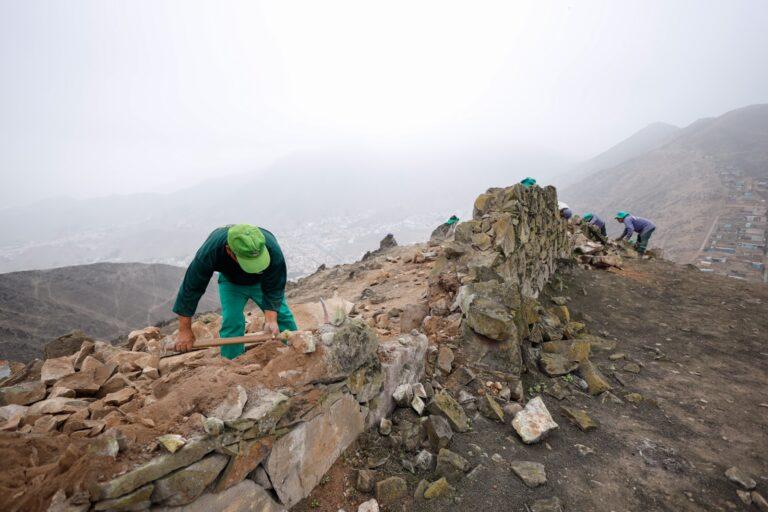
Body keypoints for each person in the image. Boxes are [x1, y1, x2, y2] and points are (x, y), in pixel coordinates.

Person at [172, 224, 297, 359]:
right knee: (232, 321)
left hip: (263, 282)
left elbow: (275, 286)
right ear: (230, 251)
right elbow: (191, 289)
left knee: (283, 318)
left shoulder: (271, 247)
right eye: (249, 261)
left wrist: (271, 320)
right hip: (231, 283)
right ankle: (232, 362)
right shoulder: (211, 251)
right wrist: (184, 330)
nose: (254, 267)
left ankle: (297, 352)